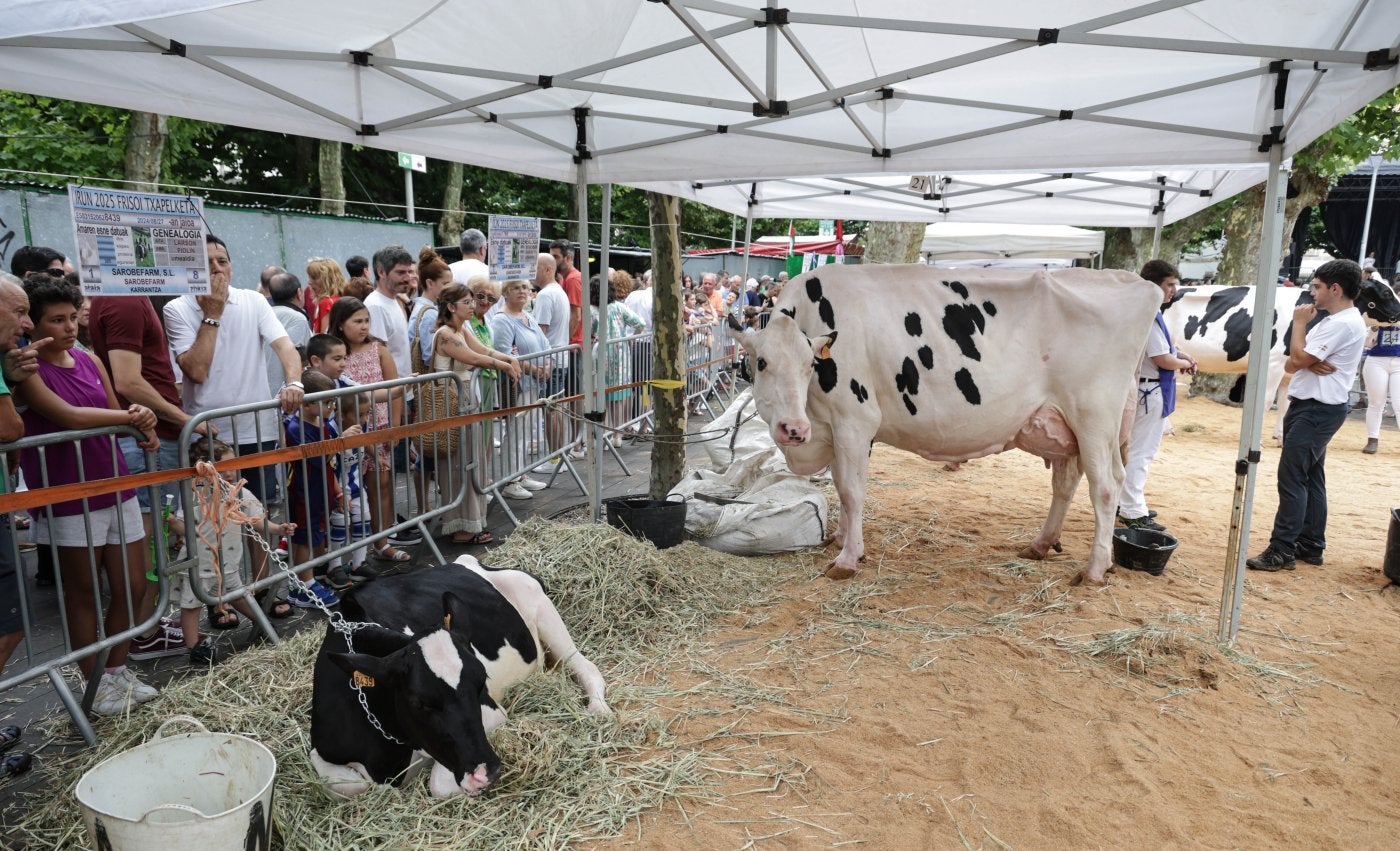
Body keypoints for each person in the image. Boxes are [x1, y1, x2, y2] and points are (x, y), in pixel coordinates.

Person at [15, 274, 160, 714]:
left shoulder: (89, 359)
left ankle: (114, 672)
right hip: (67, 495)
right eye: (56, 320)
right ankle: (93, 683)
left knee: (134, 586)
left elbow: (114, 411)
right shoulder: (25, 371)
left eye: (73, 317)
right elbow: (70, 416)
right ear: (33, 326)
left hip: (116, 484)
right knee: (83, 594)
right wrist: (132, 421)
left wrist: (138, 416)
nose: (69, 328)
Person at [89, 284, 214, 656]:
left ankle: (148, 626)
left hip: (153, 435)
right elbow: (127, 380)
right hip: (149, 438)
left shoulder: (125, 298)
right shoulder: (123, 299)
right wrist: (183, 418)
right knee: (147, 537)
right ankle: (143, 632)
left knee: (153, 534)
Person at [1248, 260, 1369, 572]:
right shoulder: (1338, 320)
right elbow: (1292, 364)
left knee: (1292, 479)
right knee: (1311, 477)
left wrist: (1299, 324)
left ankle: (1282, 549)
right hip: (1314, 407)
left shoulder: (1341, 323)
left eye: (1317, 286)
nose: (1312, 292)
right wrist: (1303, 360)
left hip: (1317, 409)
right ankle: (1310, 544)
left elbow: (1296, 358)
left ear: (1335, 289)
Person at [167, 438, 297, 664]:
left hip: (228, 562)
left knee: (238, 595)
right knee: (191, 605)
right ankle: (194, 646)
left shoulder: (240, 493)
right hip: (198, 564)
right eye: (223, 468)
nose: (230, 473)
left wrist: (278, 528)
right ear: (204, 469)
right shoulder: (193, 495)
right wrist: (168, 520)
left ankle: (261, 623)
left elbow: (257, 520)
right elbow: (184, 527)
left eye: (233, 465)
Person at [427, 282, 520, 543]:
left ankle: (471, 522)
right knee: (460, 463)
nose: (472, 306)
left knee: (473, 460)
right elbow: (474, 358)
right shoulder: (445, 334)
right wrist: (504, 364)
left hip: (467, 399)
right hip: (454, 403)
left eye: (471, 301)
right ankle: (461, 527)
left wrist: (509, 359)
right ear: (451, 307)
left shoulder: (461, 328)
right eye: (466, 302)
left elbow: (483, 350)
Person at [1117, 260, 1197, 533]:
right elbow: (1162, 358)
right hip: (1150, 390)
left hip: (1146, 388)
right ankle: (1131, 510)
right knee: (1142, 452)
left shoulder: (1150, 313)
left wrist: (1180, 354)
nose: (1174, 289)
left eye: (1175, 284)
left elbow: (1167, 350)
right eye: (1169, 284)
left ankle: (1126, 502)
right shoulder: (1149, 316)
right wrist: (1182, 362)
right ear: (1154, 285)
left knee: (1134, 450)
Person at [328, 296, 406, 563]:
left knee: (381, 484)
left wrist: (394, 426)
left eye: (366, 321)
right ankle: (343, 551)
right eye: (356, 321)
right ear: (340, 324)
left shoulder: (378, 349)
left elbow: (394, 388)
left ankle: (381, 541)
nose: (363, 326)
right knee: (347, 491)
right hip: (346, 431)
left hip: (378, 424)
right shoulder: (334, 353)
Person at [285, 369, 359, 603]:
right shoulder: (296, 429)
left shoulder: (323, 422)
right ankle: (304, 586)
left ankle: (307, 579)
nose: (332, 408)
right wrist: (341, 440)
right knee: (305, 539)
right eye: (327, 403)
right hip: (304, 494)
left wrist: (337, 491)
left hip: (321, 491)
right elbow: (319, 455)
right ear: (306, 404)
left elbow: (328, 463)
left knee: (315, 536)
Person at [490, 278, 551, 499]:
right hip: (518, 383)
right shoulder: (502, 320)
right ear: (505, 292)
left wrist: (547, 364)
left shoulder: (528, 316)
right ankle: (510, 479)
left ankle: (521, 473)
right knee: (515, 431)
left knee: (525, 429)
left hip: (533, 383)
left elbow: (546, 344)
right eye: (516, 288)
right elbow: (506, 354)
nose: (523, 291)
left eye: (525, 287)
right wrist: (535, 369)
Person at [590, 273, 647, 447]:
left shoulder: (591, 309)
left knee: (602, 394)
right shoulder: (619, 307)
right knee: (619, 394)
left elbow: (591, 330)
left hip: (600, 353)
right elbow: (640, 323)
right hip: (620, 353)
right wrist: (629, 339)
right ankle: (617, 435)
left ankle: (604, 434)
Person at [1360, 282, 1400, 455]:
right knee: (1376, 403)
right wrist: (1374, 330)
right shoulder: (1377, 315)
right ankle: (1372, 439)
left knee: (1399, 404)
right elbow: (1367, 343)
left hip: (1398, 361)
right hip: (1377, 360)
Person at [266, 271, 311, 398]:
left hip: (264, 392)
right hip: (288, 394)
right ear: (299, 293)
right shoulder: (297, 318)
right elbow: (299, 357)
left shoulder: (266, 314)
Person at [306, 257, 348, 333]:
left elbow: (325, 339)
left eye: (314, 278)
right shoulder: (343, 297)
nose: (309, 282)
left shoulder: (326, 302)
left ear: (329, 279)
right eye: (309, 277)